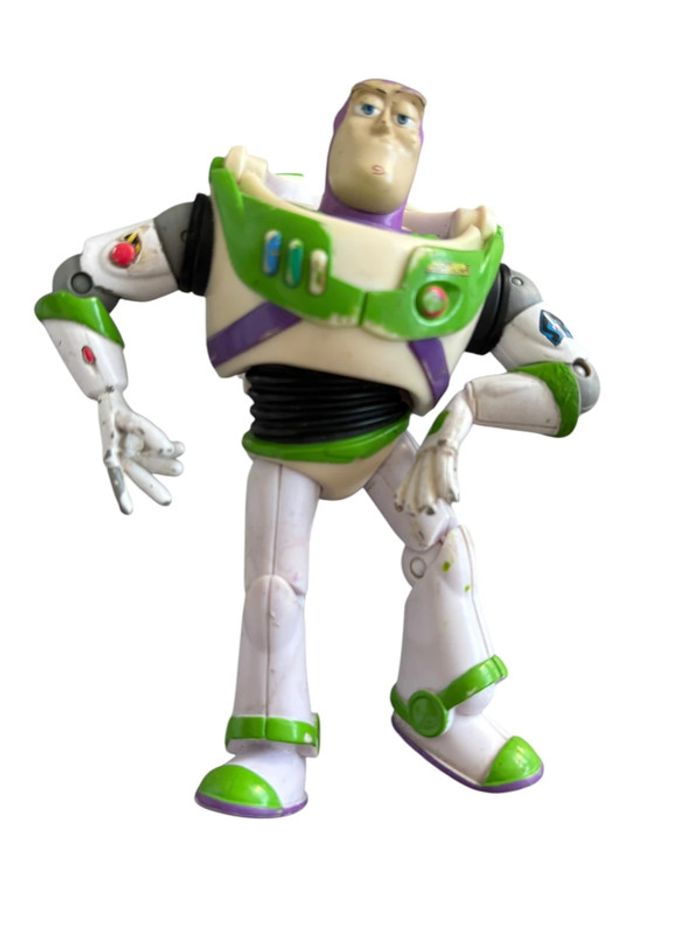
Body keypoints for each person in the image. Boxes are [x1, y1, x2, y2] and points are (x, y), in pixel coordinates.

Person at [36, 78, 599, 817]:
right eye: (368, 110)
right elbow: (82, 280)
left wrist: (464, 413)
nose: (386, 128)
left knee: (450, 553)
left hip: (388, 443)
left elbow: (576, 380)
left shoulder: (473, 271)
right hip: (286, 445)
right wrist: (109, 394)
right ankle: (272, 749)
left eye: (405, 120)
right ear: (336, 129)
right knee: (276, 590)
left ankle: (441, 709)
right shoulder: (229, 225)